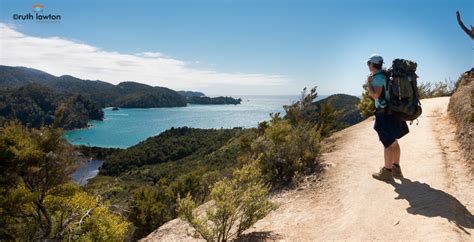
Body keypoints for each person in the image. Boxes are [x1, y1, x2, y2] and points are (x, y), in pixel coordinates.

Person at [366, 54, 409, 181]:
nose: (368, 66)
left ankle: (387, 171)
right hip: (393, 111)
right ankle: (396, 168)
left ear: (372, 64)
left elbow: (376, 95)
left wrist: (369, 83)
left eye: (368, 63)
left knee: (387, 143)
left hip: (384, 113)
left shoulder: (378, 78)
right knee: (394, 141)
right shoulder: (385, 75)